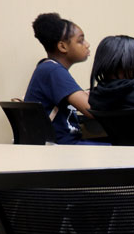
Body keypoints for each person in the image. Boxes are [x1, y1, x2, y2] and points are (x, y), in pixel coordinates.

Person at [24, 13, 94, 144]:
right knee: (123, 150)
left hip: (62, 146)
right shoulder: (53, 71)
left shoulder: (47, 68)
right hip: (62, 149)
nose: (87, 44)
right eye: (80, 41)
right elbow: (92, 109)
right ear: (62, 46)